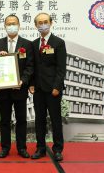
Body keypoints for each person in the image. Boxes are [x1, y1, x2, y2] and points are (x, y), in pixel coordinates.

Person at [0, 14, 34, 158]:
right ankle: (5, 148)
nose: (11, 26)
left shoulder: (27, 44)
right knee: (5, 120)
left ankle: (21, 148)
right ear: (4, 26)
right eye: (8, 24)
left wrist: (23, 81)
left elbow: (30, 66)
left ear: (19, 25)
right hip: (3, 90)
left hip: (20, 88)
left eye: (14, 23)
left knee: (21, 120)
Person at [29, 13, 67, 161]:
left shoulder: (58, 42)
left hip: (53, 90)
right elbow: (32, 66)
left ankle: (57, 149)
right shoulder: (33, 44)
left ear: (51, 23)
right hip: (38, 89)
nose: (42, 24)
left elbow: (61, 68)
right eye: (39, 22)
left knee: (56, 119)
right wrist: (31, 84)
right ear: (35, 25)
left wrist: (57, 86)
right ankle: (40, 148)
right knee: (39, 120)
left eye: (45, 22)